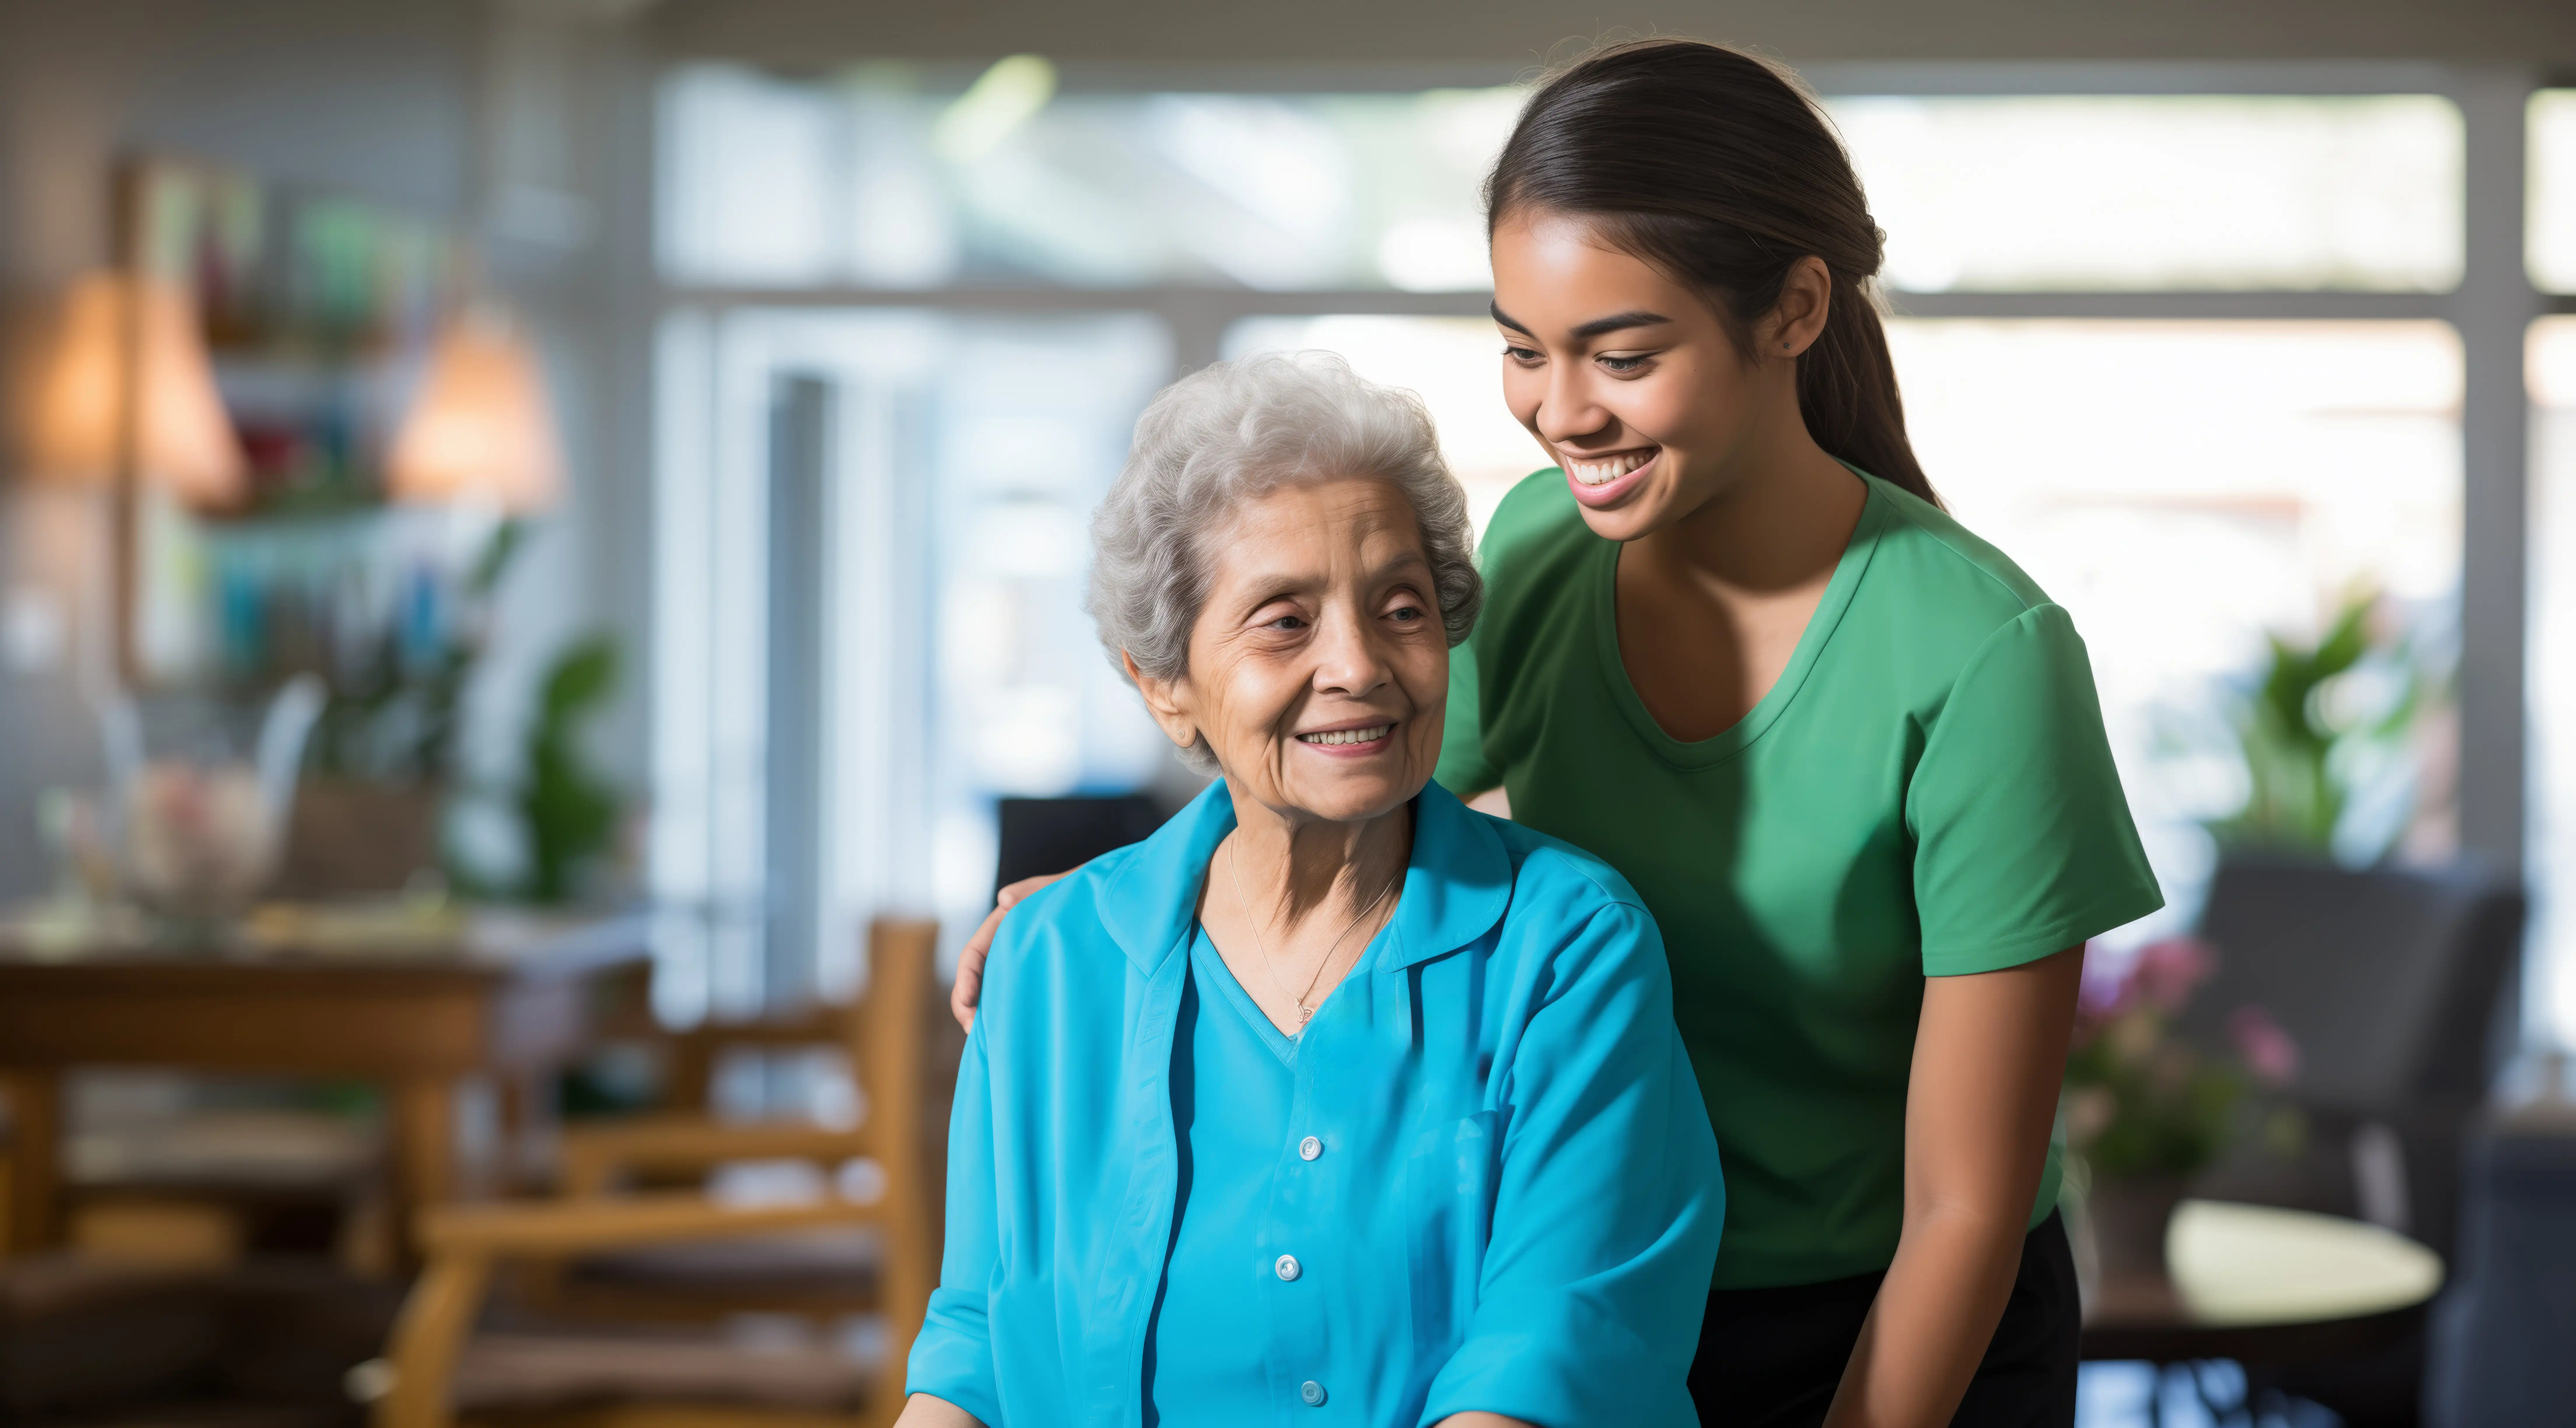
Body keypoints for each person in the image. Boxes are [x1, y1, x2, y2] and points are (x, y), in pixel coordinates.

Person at [954, 40, 2166, 1428]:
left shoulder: (1983, 659)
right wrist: (1118, 918)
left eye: (1624, 355)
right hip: (1605, 1269)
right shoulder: (1546, 548)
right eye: (1523, 351)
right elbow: (1353, 768)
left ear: (1794, 310)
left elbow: (1964, 1203)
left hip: (1894, 1315)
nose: (1558, 411)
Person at [899, 353, 1723, 1428]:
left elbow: (1554, 1351)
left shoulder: (1570, 949)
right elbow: (975, 1345)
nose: (1361, 665)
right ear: (1165, 684)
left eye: (1401, 609)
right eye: (1285, 621)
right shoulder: (1051, 959)